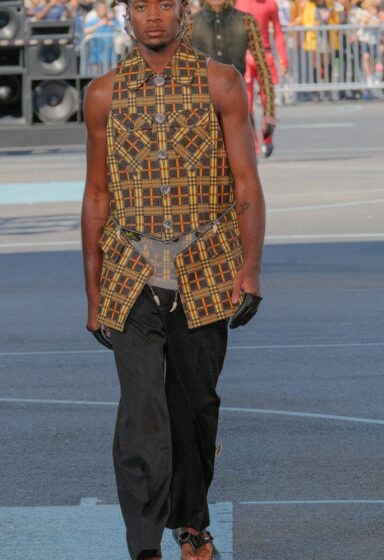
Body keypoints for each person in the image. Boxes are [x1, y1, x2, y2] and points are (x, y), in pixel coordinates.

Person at [81, 0, 265, 558]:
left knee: (195, 410)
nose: (153, 16)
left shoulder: (222, 83)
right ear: (127, 17)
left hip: (205, 270)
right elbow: (96, 195)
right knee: (141, 414)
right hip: (130, 273)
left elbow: (246, 183)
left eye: (165, 4)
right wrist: (93, 295)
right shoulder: (102, 94)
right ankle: (144, 547)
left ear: (183, 13)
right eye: (141, 6)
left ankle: (191, 523)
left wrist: (250, 269)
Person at [190, 0, 276, 157]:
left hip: (237, 106)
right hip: (201, 108)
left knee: (244, 170)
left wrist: (269, 112)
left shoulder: (246, 21)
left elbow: (263, 68)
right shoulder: (191, 23)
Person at [235, 0, 288, 156]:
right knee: (247, 102)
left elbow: (278, 32)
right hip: (246, 55)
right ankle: (254, 144)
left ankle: (267, 138)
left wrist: (284, 59)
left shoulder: (270, 4)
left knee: (268, 100)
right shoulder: (239, 3)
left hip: (264, 55)